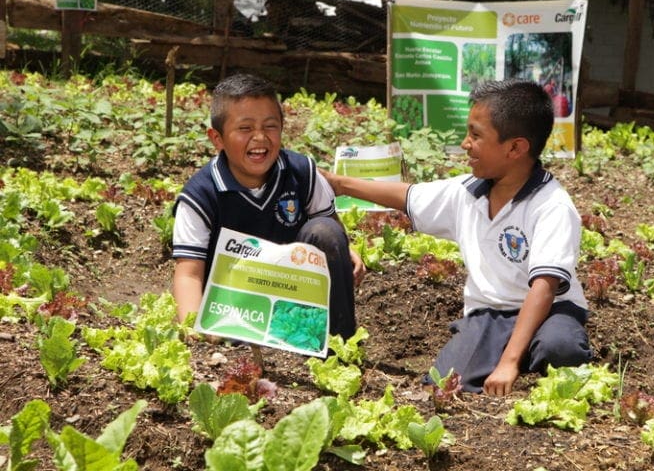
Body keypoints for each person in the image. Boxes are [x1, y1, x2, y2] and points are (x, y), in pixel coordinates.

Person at [322, 78, 592, 396]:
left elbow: (544, 288)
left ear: (516, 148)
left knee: (560, 347)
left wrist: (508, 361)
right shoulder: (466, 192)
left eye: (476, 135)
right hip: (489, 314)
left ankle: (523, 355)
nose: (465, 143)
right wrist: (339, 184)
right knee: (447, 380)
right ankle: (506, 352)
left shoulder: (552, 205)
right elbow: (408, 195)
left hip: (551, 309)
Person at [171, 73, 364, 339]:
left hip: (295, 304)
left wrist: (342, 252)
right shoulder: (200, 196)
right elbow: (189, 274)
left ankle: (338, 344)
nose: (260, 137)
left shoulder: (303, 172)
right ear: (217, 139)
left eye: (270, 126)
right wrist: (196, 329)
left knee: (326, 232)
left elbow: (330, 229)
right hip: (236, 313)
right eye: (245, 128)